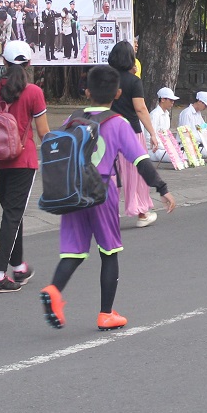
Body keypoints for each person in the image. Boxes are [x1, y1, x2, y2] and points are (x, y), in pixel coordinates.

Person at [38, 65, 176, 331]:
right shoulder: (118, 123)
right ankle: (106, 314)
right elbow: (141, 161)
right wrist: (162, 188)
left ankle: (54, 290)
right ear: (118, 93)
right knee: (109, 251)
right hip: (102, 191)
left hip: (73, 192)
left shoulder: (72, 119)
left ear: (87, 92)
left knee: (73, 252)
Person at [0, 40, 51, 293]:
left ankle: (19, 266)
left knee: (13, 212)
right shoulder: (34, 92)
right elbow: (43, 132)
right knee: (13, 214)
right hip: (23, 161)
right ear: (29, 63)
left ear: (3, 62)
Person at [108, 42, 161, 228]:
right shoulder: (134, 81)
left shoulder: (106, 79)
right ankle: (141, 213)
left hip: (108, 132)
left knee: (110, 174)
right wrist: (152, 133)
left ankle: (108, 215)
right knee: (135, 173)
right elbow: (140, 109)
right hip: (130, 132)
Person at [147, 87, 179, 162]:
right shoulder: (154, 114)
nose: (173, 102)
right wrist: (162, 146)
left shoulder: (166, 114)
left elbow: (166, 135)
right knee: (176, 157)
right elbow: (149, 136)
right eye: (170, 100)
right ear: (163, 100)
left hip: (165, 149)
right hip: (154, 150)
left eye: (173, 100)